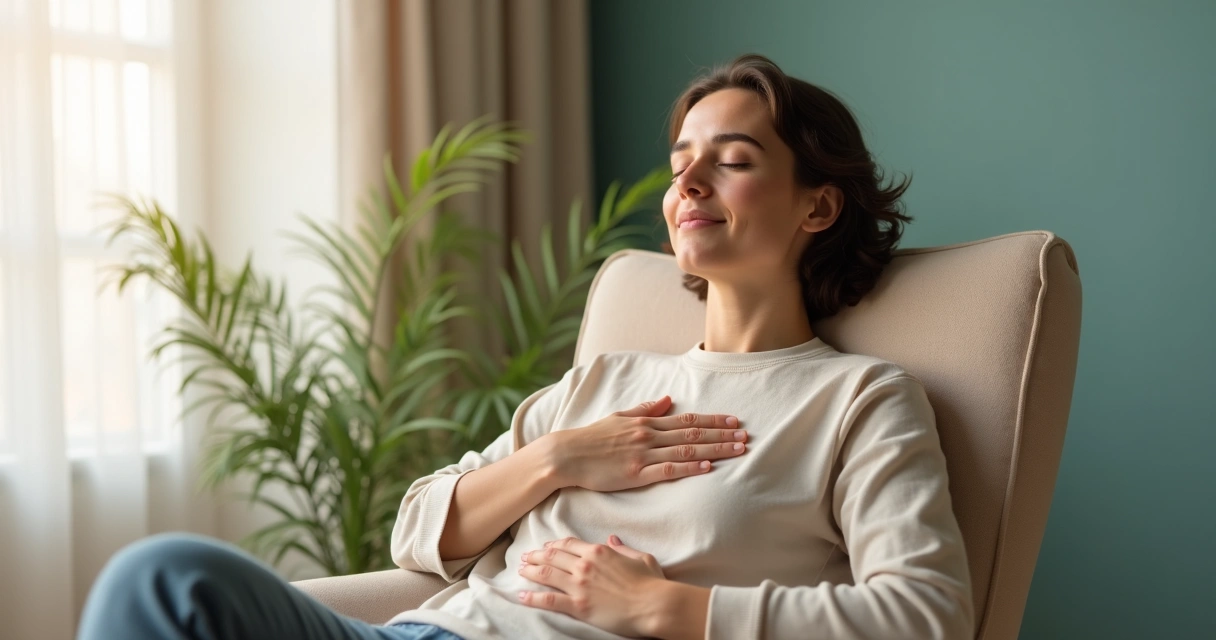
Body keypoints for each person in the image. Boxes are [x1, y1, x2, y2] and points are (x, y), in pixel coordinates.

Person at [77, 53, 973, 640]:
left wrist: (671, 608)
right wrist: (557, 458)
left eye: (731, 159)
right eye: (678, 165)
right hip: (431, 632)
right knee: (163, 580)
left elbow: (927, 614)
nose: (688, 181)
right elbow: (418, 533)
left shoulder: (860, 401)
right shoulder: (606, 382)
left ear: (818, 206)